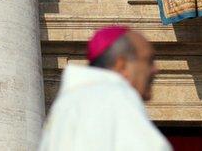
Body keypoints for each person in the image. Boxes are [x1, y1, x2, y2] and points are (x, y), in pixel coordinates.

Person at [38, 26, 168, 151]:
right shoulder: (115, 98)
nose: (155, 70)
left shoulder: (65, 108)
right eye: (149, 61)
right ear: (121, 65)